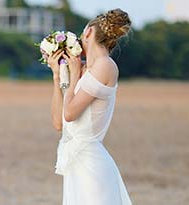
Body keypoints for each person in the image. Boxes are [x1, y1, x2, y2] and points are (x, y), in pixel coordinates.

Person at [47, 9, 133, 204]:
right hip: (75, 165)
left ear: (88, 32)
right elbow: (58, 123)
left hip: (91, 165)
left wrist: (74, 74)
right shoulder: (84, 69)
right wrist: (57, 77)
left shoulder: (105, 66)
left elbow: (69, 114)